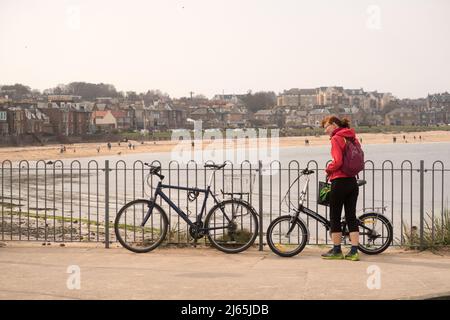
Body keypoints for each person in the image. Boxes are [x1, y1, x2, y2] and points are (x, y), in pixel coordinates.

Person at [320, 116, 362, 261]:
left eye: (326, 127)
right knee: (351, 217)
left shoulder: (336, 138)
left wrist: (328, 169)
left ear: (334, 124)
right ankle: (354, 251)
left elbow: (337, 162)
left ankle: (337, 250)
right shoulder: (352, 137)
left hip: (339, 181)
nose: (325, 131)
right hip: (352, 181)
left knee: (335, 217)